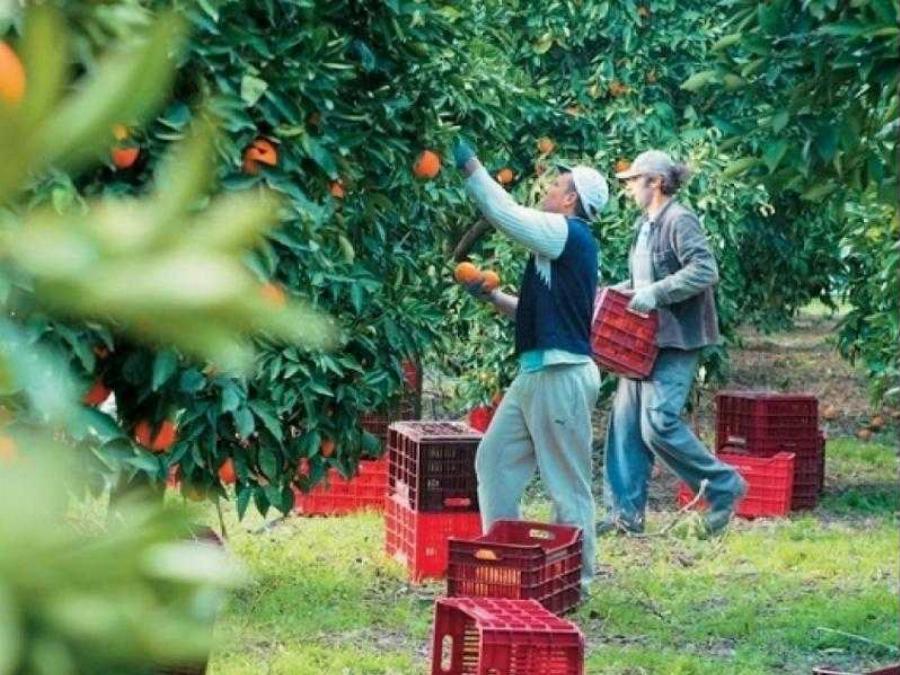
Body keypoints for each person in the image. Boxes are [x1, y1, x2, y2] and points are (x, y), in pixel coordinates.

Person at [451, 138, 607, 594]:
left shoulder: (568, 233)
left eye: (557, 185)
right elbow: (536, 314)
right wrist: (492, 295)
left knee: (566, 483)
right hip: (537, 371)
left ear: (571, 198)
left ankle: (577, 581)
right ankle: (503, 561)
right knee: (494, 459)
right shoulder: (555, 249)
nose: (549, 189)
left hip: (562, 374)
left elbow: (504, 215)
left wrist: (470, 166)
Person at [597, 149, 747, 537]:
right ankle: (624, 517)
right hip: (642, 339)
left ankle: (723, 486)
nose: (629, 188)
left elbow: (703, 270)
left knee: (658, 424)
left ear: (656, 182)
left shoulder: (680, 220)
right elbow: (650, 277)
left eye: (634, 181)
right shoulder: (644, 224)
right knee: (627, 427)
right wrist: (628, 290)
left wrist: (657, 293)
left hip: (676, 339)